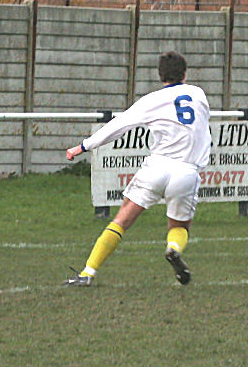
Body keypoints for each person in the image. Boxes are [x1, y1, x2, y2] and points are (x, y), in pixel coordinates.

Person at [63, 51, 211, 287]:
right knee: (179, 227)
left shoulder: (151, 100)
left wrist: (83, 146)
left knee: (122, 219)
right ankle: (173, 249)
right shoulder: (198, 94)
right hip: (187, 171)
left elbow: (118, 125)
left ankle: (87, 273)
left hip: (159, 166)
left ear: (160, 75)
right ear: (185, 73)